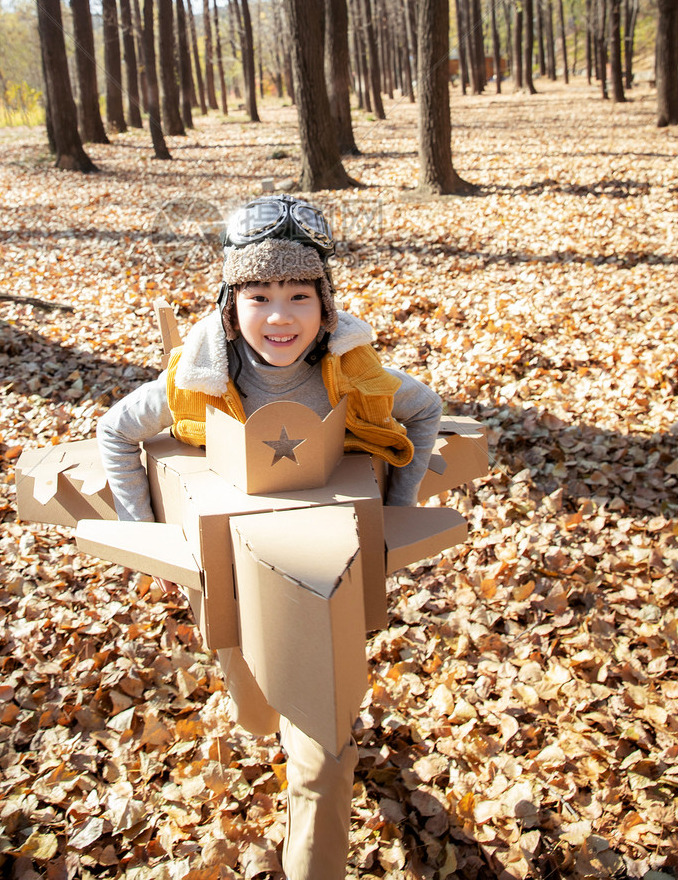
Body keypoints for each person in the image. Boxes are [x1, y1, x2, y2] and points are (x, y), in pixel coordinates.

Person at [97, 195, 443, 880]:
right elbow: (115, 430)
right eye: (258, 295)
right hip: (228, 573)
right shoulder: (197, 378)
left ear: (326, 308)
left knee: (321, 745)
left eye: (297, 295)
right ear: (231, 306)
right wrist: (151, 535)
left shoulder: (353, 373)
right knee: (258, 711)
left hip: (326, 578)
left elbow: (424, 406)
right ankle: (277, 711)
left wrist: (395, 511)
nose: (278, 316)